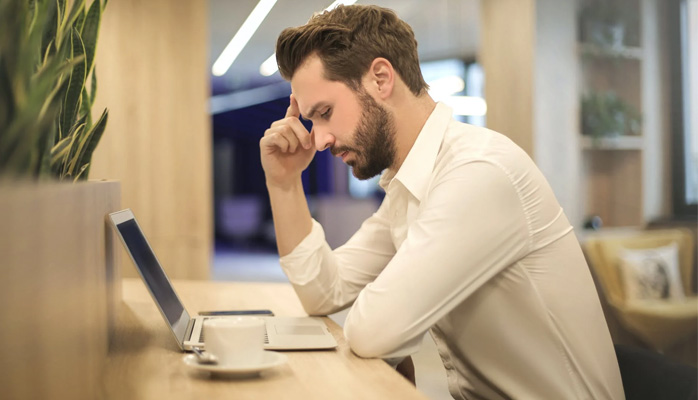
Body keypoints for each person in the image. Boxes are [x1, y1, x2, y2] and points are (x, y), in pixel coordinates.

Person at [259, 4, 624, 399]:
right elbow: (323, 292)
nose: (320, 139)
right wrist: (284, 183)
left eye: (325, 113)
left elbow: (372, 331)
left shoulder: (478, 173)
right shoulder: (410, 186)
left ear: (381, 78)